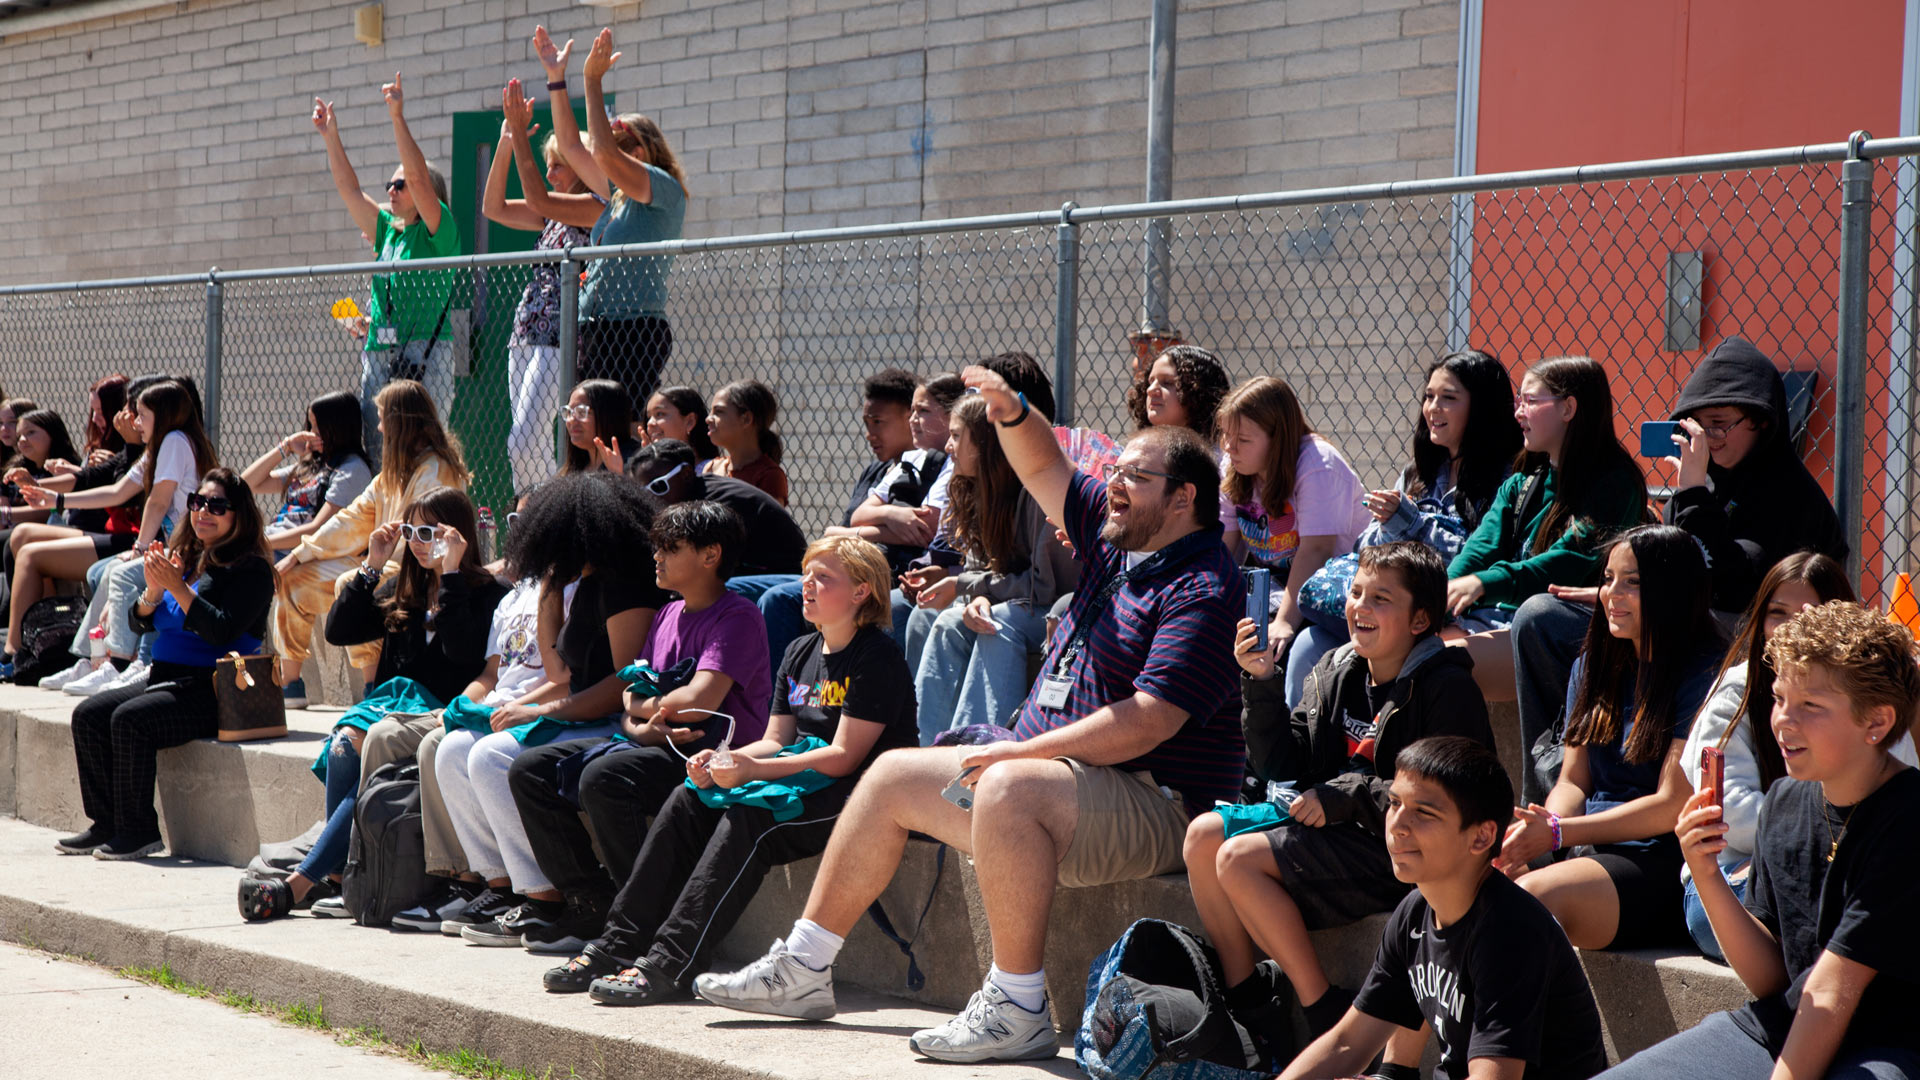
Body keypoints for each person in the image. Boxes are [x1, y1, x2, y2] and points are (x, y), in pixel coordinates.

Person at [696, 365, 1245, 1064]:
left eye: (1136, 476)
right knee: (893, 775)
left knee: (1010, 786)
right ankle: (803, 970)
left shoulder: (1201, 583)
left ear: (1183, 498)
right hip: (1069, 784)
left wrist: (1021, 754)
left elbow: (1149, 721)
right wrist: (1011, 413)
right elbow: (1047, 466)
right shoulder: (1119, 545)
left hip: (1157, 802)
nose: (1114, 481)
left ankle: (1018, 1006)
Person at [545, 534, 904, 1002]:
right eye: (806, 576)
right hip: (804, 777)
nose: (807, 587)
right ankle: (619, 944)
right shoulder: (798, 651)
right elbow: (776, 740)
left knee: (751, 818)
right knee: (689, 797)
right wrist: (723, 761)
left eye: (824, 578)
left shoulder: (876, 654)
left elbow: (843, 758)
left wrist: (751, 771)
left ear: (861, 592)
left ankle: (671, 962)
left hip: (860, 796)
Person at [1190, 541, 1493, 1065]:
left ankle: (1322, 1011)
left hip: (1401, 849)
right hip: (1338, 830)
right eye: (1356, 593)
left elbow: (1450, 794)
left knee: (1237, 860)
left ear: (1420, 619)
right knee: (1203, 836)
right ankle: (1251, 1013)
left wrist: (1346, 797)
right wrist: (1260, 682)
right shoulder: (1338, 668)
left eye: (1380, 598)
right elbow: (1283, 765)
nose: (1360, 607)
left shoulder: (1445, 687)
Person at [1511, 338, 1848, 804]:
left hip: (1736, 635)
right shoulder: (1706, 481)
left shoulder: (1788, 495)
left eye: (1721, 425)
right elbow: (1674, 575)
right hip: (1674, 622)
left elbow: (1733, 583)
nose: (1709, 439)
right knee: (1541, 619)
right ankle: (1558, 789)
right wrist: (1618, 593)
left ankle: (1651, 796)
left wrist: (1691, 493)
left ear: (1762, 423)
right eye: (1699, 427)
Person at [1601, 602, 1920, 1080]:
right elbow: (1773, 978)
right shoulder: (1784, 801)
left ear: (1876, 722)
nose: (1783, 721)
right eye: (1779, 698)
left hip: (1889, 1045)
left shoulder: (1909, 817)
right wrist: (1706, 874)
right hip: (1783, 1026)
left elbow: (1834, 991)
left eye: (1811, 706)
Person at [240, 487, 508, 920]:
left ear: (457, 535)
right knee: (345, 744)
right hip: (391, 708)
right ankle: (342, 878)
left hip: (440, 711)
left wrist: (454, 573)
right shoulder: (405, 588)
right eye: (410, 531)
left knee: (363, 744)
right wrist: (372, 563)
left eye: (428, 531)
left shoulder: (487, 594)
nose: (418, 542)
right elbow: (340, 630)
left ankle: (310, 880)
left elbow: (462, 652)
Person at [1280, 736, 1608, 1080]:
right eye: (1394, 803)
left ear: (1481, 837)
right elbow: (1346, 1044)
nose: (1397, 825)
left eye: (1423, 812)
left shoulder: (1509, 933)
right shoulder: (1414, 913)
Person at [457, 471, 668, 941]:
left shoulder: (625, 584)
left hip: (616, 721)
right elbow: (558, 668)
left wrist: (542, 713)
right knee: (474, 752)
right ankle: (551, 894)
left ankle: (558, 897)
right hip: (587, 714)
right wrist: (550, 584)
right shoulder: (587, 582)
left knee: (494, 758)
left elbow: (621, 684)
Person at [1496, 526, 1723, 952]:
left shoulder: (1706, 673)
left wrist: (1560, 834)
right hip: (1589, 842)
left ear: (1673, 589)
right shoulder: (1594, 663)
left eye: (1633, 582)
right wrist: (1543, 830)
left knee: (1526, 902)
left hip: (1659, 859)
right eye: (1607, 579)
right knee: (1474, 886)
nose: (1611, 594)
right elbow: (1573, 781)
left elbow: (1671, 805)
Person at [1676, 554, 1897, 960]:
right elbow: (1730, 815)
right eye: (1777, 613)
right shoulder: (1736, 690)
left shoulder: (1869, 694)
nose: (1792, 628)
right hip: (1735, 875)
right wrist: (1816, 837)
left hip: (1842, 862)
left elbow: (1893, 789)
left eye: (1810, 613)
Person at [58, 469, 276, 860]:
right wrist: (153, 592)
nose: (203, 512)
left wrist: (177, 588)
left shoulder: (251, 569)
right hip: (167, 676)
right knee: (89, 715)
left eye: (217, 505)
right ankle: (106, 823)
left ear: (238, 514)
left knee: (129, 720)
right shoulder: (188, 557)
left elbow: (221, 631)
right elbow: (140, 622)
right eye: (197, 502)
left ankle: (138, 831)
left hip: (214, 689)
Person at [1447, 355, 1648, 705]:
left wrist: (1485, 583)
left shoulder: (1614, 484)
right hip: (1510, 621)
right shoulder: (1524, 481)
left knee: (1441, 663)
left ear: (1568, 408)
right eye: (1518, 401)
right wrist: (1439, 597)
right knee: (1405, 646)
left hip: (1569, 631)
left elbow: (1565, 563)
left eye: (1530, 401)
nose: (1518, 413)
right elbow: (1479, 550)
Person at [272, 380, 468, 707]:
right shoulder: (391, 473)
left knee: (352, 582)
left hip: (419, 570)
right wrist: (299, 554)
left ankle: (372, 687)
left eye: (381, 418)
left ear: (399, 421)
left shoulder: (437, 469)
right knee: (294, 578)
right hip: (382, 561)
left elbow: (420, 545)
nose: (377, 427)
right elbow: (350, 520)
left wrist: (369, 565)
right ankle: (290, 685)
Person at [19, 380, 216, 694]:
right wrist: (55, 500)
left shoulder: (176, 442)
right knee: (105, 570)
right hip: (171, 547)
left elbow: (159, 501)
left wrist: (139, 548)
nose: (135, 423)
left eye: (142, 416)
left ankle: (120, 663)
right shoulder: (159, 447)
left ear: (162, 416)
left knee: (124, 574)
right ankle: (93, 658)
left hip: (191, 551)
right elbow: (117, 491)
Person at [908, 395, 1077, 741]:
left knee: (995, 623)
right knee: (931, 618)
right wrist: (973, 596)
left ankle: (976, 750)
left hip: (1055, 606)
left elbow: (1041, 587)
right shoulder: (973, 490)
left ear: (985, 445)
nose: (949, 446)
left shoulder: (1034, 492)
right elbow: (978, 572)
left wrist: (974, 590)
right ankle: (925, 749)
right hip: (1010, 600)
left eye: (957, 436)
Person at [738, 368, 930, 671]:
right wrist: (888, 520)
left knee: (779, 599)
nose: (870, 433)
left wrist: (859, 531)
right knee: (732, 588)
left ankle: (780, 708)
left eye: (878, 422)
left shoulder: (930, 472)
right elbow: (838, 530)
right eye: (867, 423)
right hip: (837, 566)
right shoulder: (875, 472)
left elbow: (917, 533)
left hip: (881, 575)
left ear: (910, 416)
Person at [311, 75, 463, 452]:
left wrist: (397, 116)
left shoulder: (438, 231)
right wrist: (330, 136)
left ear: (426, 190)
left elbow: (417, 176)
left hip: (425, 353)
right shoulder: (389, 231)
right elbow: (350, 190)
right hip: (380, 352)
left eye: (401, 185)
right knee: (381, 455)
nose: (391, 191)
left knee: (423, 450)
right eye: (390, 186)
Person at [1216, 376, 1371, 706]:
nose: (1229, 447)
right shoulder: (1235, 464)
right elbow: (1226, 547)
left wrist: (1284, 623)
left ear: (1278, 439)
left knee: (1280, 648)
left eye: (1242, 439)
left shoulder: (1317, 465)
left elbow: (1316, 551)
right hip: (1277, 583)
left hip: (1329, 587)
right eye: (1225, 435)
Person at [487, 76, 608, 492]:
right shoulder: (549, 214)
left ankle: (536, 508)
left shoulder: (594, 207)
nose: (551, 173)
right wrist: (506, 139)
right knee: (527, 443)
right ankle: (533, 509)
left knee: (524, 440)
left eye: (558, 165)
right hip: (525, 331)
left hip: (560, 333)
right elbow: (493, 208)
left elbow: (545, 192)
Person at [559, 26, 688, 415]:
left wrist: (592, 81)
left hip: (633, 328)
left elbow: (601, 152)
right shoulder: (616, 199)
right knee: (587, 426)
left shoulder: (663, 188)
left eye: (624, 148)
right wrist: (555, 82)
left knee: (622, 426)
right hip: (596, 326)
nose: (613, 157)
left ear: (645, 148)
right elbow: (572, 147)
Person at [10, 376, 153, 689]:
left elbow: (117, 493)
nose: (98, 418)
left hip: (131, 538)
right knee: (22, 539)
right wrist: (37, 487)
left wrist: (50, 494)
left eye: (104, 410)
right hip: (122, 538)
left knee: (39, 555)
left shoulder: (155, 450)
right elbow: (92, 479)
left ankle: (24, 652)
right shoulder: (132, 449)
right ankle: (44, 649)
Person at [626, 439, 806, 580]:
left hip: (782, 577)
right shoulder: (689, 498)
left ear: (686, 474)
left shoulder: (717, 504)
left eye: (658, 486)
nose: (651, 498)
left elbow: (711, 571)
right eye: (643, 492)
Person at [239, 391, 373, 569]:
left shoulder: (351, 470)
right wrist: (285, 447)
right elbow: (245, 485)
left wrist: (260, 542)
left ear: (337, 428)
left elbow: (319, 528)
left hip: (294, 553)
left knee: (230, 568)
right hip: (272, 543)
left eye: (317, 427)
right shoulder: (313, 464)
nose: (311, 433)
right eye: (310, 426)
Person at [702, 380, 788, 505]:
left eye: (719, 412)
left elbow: (771, 523)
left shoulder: (769, 476)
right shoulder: (711, 468)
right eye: (711, 412)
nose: (708, 419)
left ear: (746, 419)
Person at [1129, 344, 1231, 445]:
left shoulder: (1226, 456)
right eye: (1150, 382)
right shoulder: (1139, 452)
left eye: (1167, 382)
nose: (1150, 390)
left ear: (1197, 391)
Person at [558, 379, 635, 475]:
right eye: (569, 412)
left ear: (609, 416)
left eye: (581, 412)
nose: (571, 420)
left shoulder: (633, 465)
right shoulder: (574, 468)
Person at [644, 386, 717, 465]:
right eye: (648, 417)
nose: (650, 423)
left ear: (690, 422)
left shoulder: (710, 470)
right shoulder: (651, 468)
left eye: (660, 414)